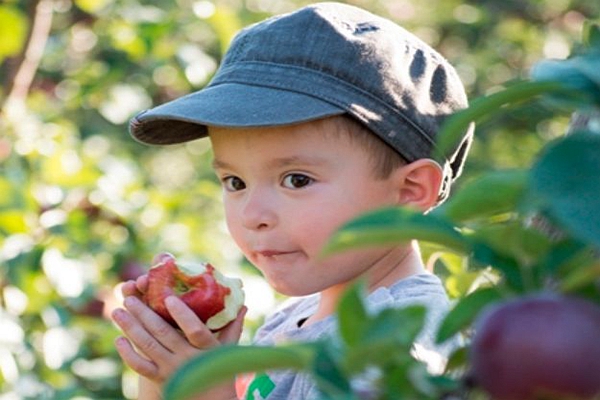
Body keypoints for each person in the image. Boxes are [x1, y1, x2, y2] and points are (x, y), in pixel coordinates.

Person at [110, 2, 474, 399]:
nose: (252, 215)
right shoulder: (293, 319)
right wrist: (163, 372)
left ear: (409, 191)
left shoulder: (395, 353)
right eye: (234, 182)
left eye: (296, 180)